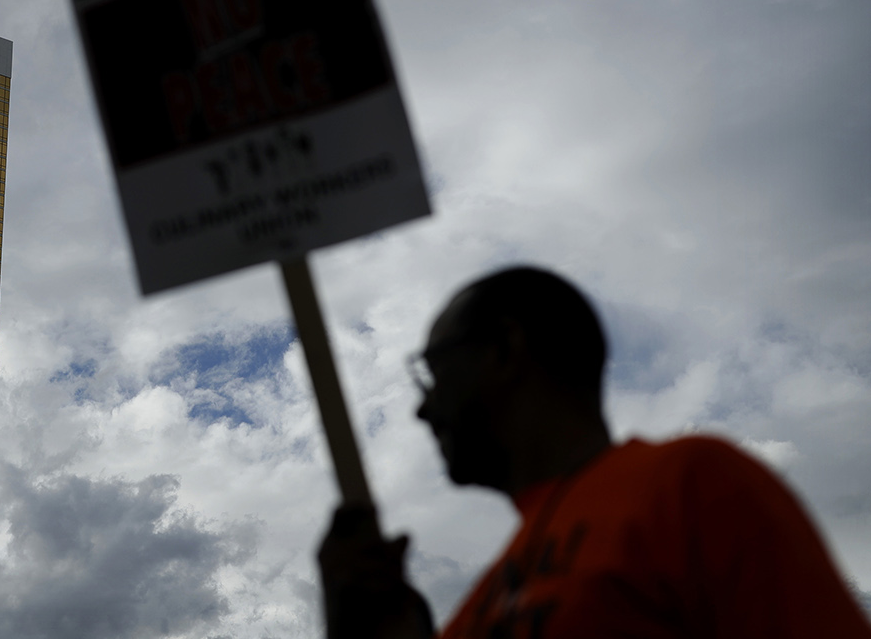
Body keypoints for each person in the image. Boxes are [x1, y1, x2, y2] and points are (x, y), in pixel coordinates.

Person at [318, 265, 871, 639]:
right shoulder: (480, 605)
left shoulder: (692, 484)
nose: (422, 410)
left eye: (434, 373)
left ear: (505, 349)